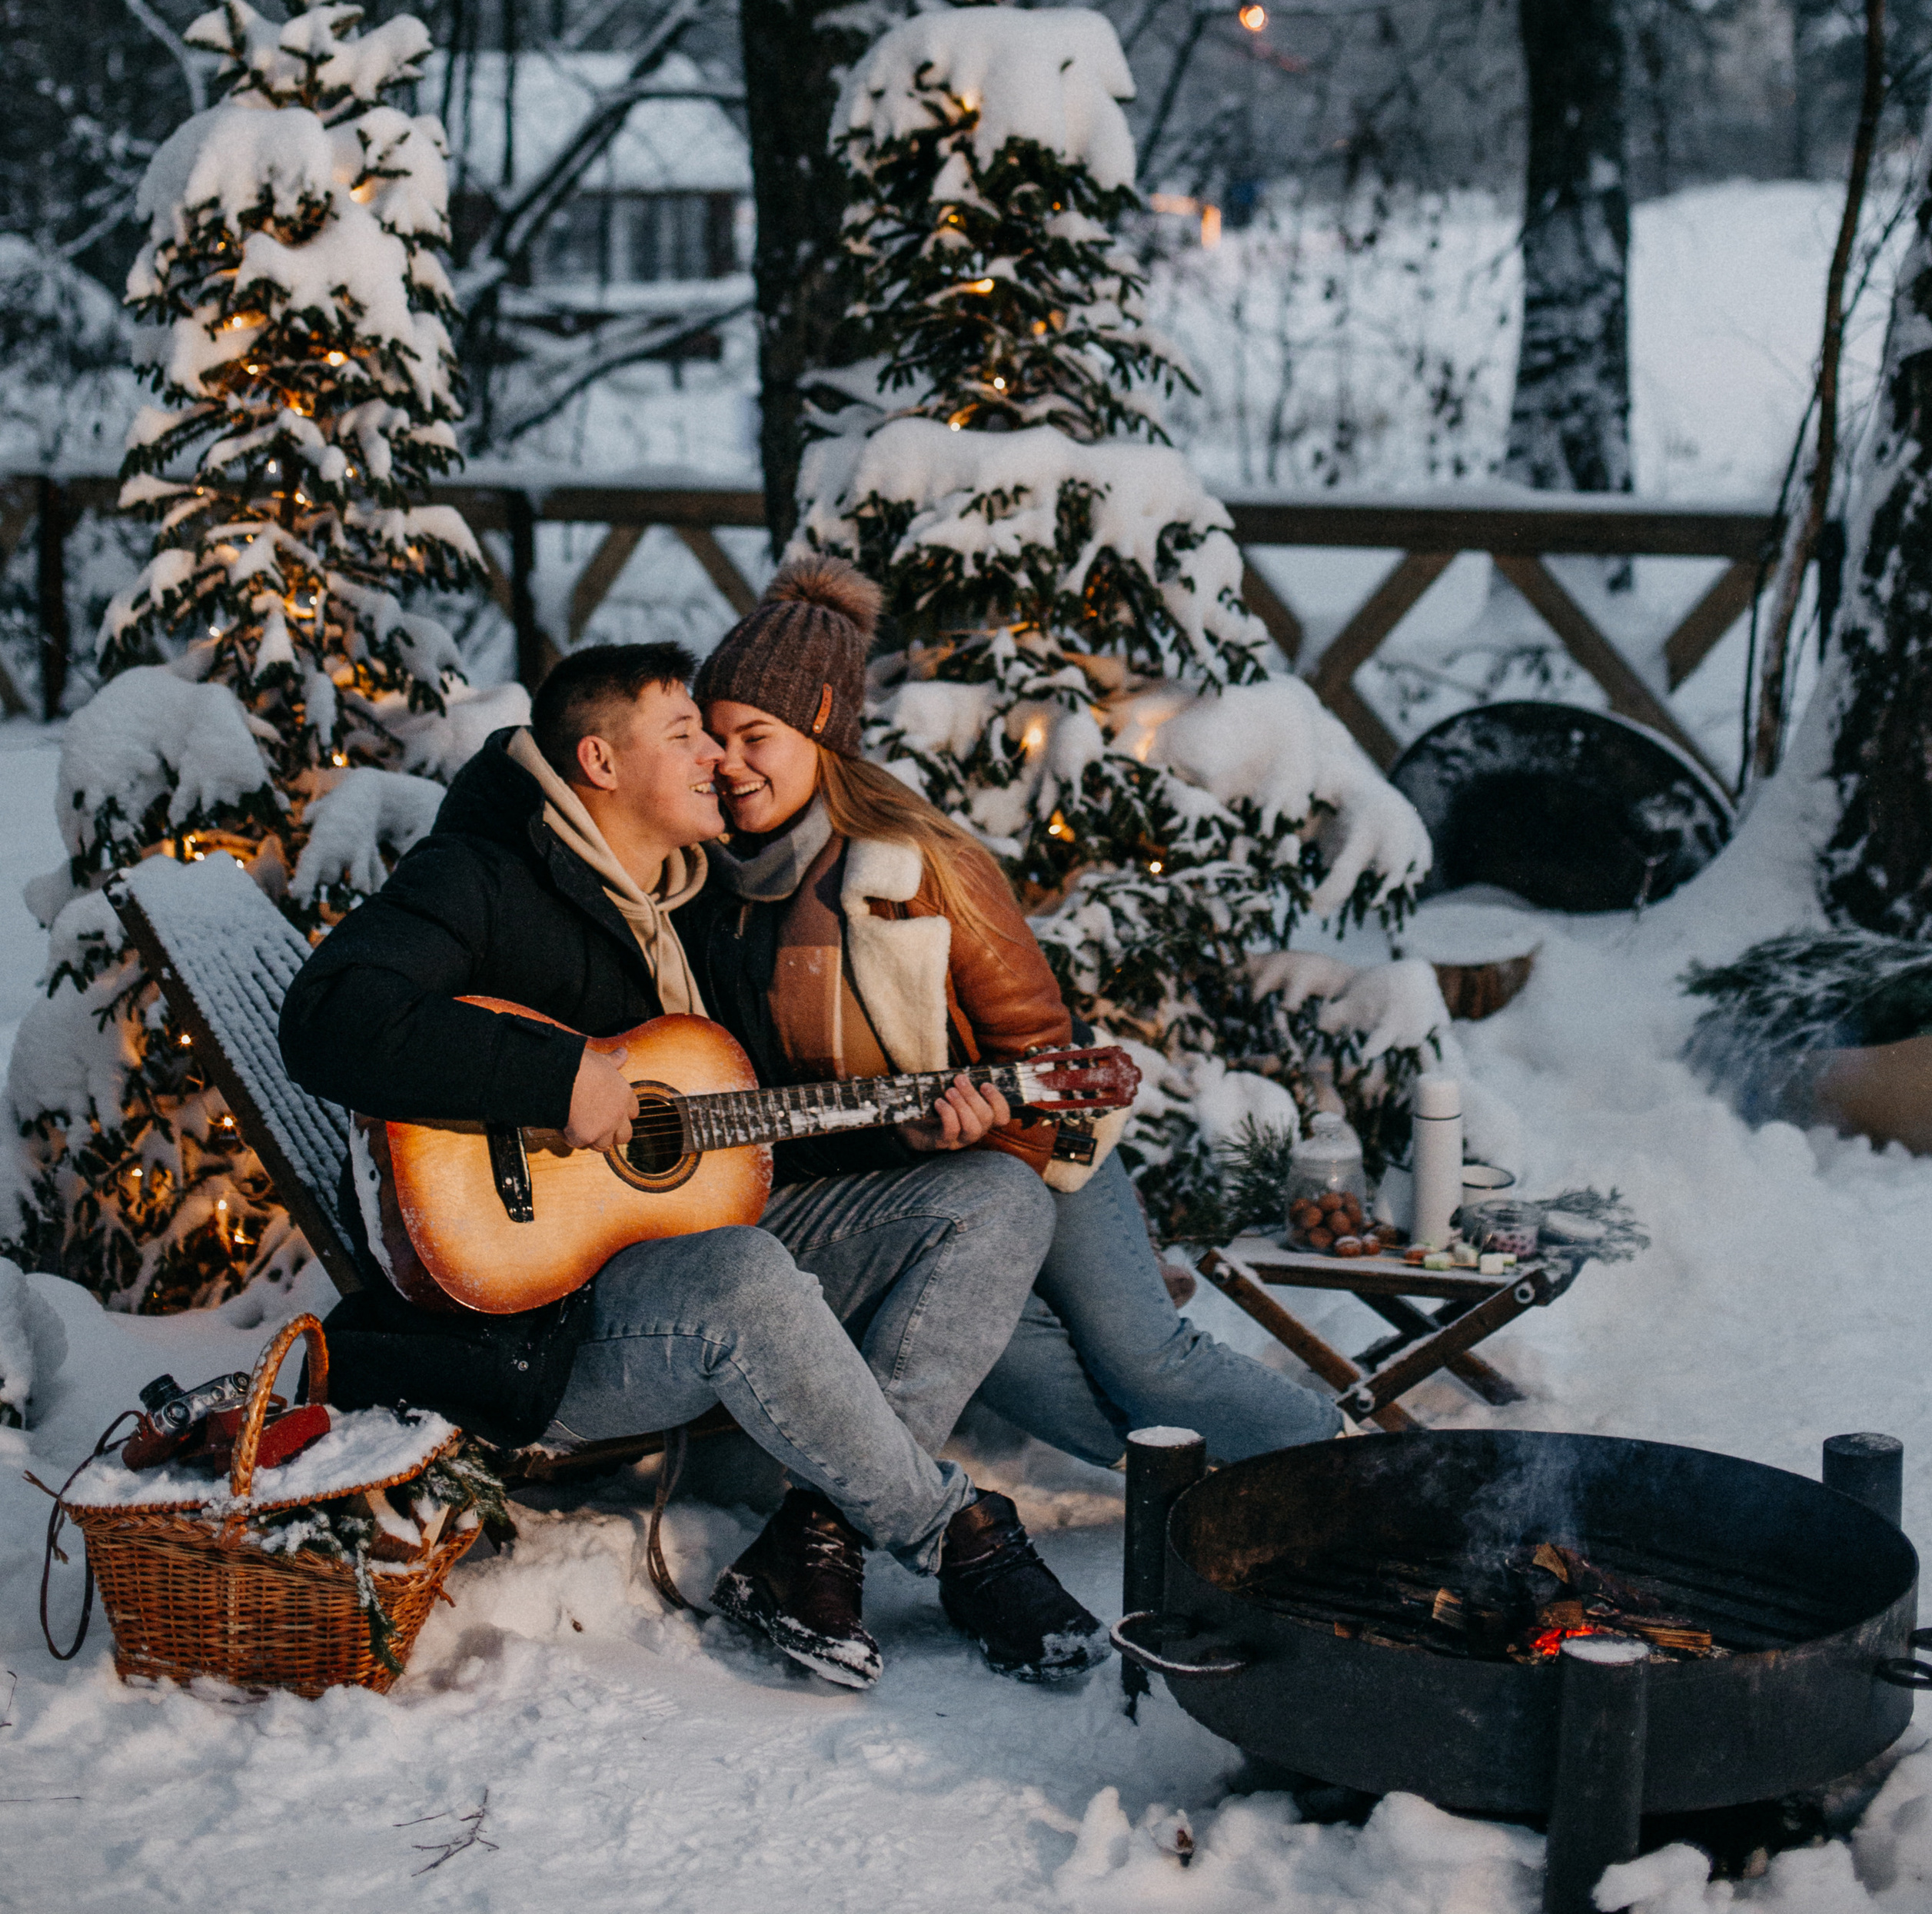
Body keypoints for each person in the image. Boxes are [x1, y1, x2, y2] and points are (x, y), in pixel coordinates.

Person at [279, 639, 1097, 1692]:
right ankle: (958, 1541)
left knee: (993, 1196)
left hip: (672, 1256)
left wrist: (909, 1134)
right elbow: (329, 1016)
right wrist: (551, 1076)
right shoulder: (482, 872)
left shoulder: (682, 905)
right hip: (535, 1325)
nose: (716, 755)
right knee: (743, 1280)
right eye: (685, 735)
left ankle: (812, 1540)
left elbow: (718, 1139)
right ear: (601, 763)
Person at [688, 559, 1341, 1497]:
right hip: (904, 1196)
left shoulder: (922, 867)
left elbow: (1043, 1053)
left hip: (1034, 1145)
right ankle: (1205, 1498)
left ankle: (1352, 1459)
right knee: (1019, 1367)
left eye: (756, 735)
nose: (730, 763)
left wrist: (977, 1130)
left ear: (823, 731)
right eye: (713, 739)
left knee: (1145, 1363)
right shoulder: (713, 888)